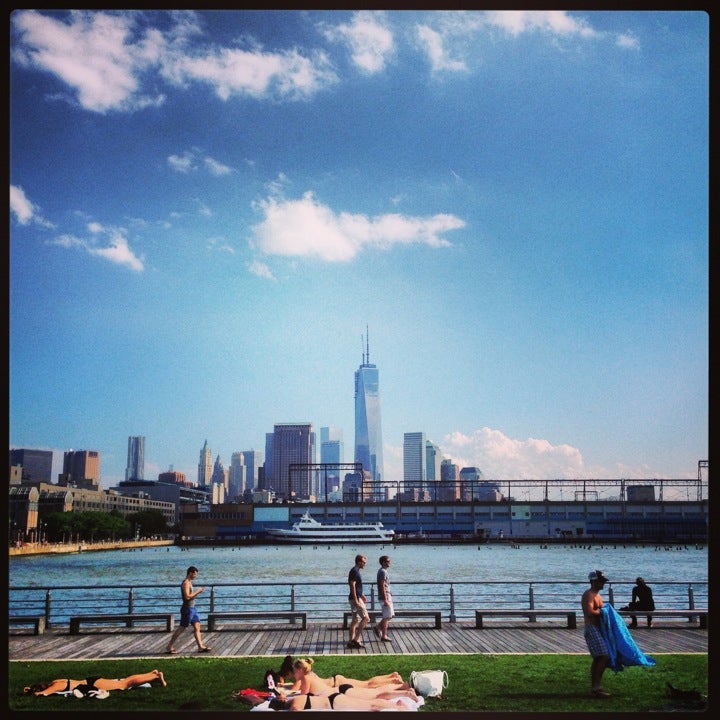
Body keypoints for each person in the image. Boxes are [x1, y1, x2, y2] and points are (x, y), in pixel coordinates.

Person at [282, 657, 414, 697]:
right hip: (336, 682)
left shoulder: (305, 678)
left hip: (337, 684)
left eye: (294, 671)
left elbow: (298, 691)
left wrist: (284, 691)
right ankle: (393, 678)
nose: (293, 674)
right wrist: (284, 686)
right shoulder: (309, 674)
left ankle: (396, 681)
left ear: (299, 670)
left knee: (369, 686)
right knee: (369, 686)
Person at [166, 566, 211, 654]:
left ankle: (200, 646)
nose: (195, 576)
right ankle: (169, 646)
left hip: (192, 608)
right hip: (187, 609)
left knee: (197, 626)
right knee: (182, 628)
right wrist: (198, 591)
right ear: (190, 573)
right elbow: (187, 597)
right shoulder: (186, 583)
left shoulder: (190, 582)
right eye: (195, 574)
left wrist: (198, 592)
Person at [581, 569, 611, 698]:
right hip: (591, 628)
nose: (603, 583)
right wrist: (605, 613)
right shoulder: (589, 594)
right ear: (594, 581)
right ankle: (596, 688)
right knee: (604, 656)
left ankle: (596, 688)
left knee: (599, 658)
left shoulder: (598, 595)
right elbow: (589, 612)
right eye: (601, 581)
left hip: (597, 629)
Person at [24, 669, 166, 696]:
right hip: (91, 681)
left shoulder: (56, 686)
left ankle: (155, 677)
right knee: (125, 681)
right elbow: (44, 690)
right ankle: (152, 674)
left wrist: (34, 692)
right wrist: (30, 688)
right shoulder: (55, 681)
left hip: (94, 684)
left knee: (124, 684)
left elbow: (43, 694)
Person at [268, 692, 415, 712]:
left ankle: (396, 706)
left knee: (370, 706)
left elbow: (296, 711)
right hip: (333, 699)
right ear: (281, 700)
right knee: (368, 704)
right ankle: (393, 705)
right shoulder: (295, 700)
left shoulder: (294, 704)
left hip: (335, 703)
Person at [347, 554, 369, 649]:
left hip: (355, 597)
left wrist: (362, 595)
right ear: (359, 562)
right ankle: (356, 639)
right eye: (364, 562)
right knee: (366, 618)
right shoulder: (355, 571)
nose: (365, 564)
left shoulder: (355, 571)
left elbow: (356, 586)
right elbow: (352, 585)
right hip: (355, 599)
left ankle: (351, 641)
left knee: (355, 620)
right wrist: (357, 600)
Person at [375, 555, 394, 642]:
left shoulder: (383, 571)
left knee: (389, 616)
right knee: (387, 616)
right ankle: (384, 636)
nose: (389, 562)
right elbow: (382, 585)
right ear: (383, 562)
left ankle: (378, 627)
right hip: (384, 597)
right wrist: (385, 598)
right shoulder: (383, 572)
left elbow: (385, 585)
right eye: (387, 561)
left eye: (389, 561)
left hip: (386, 595)